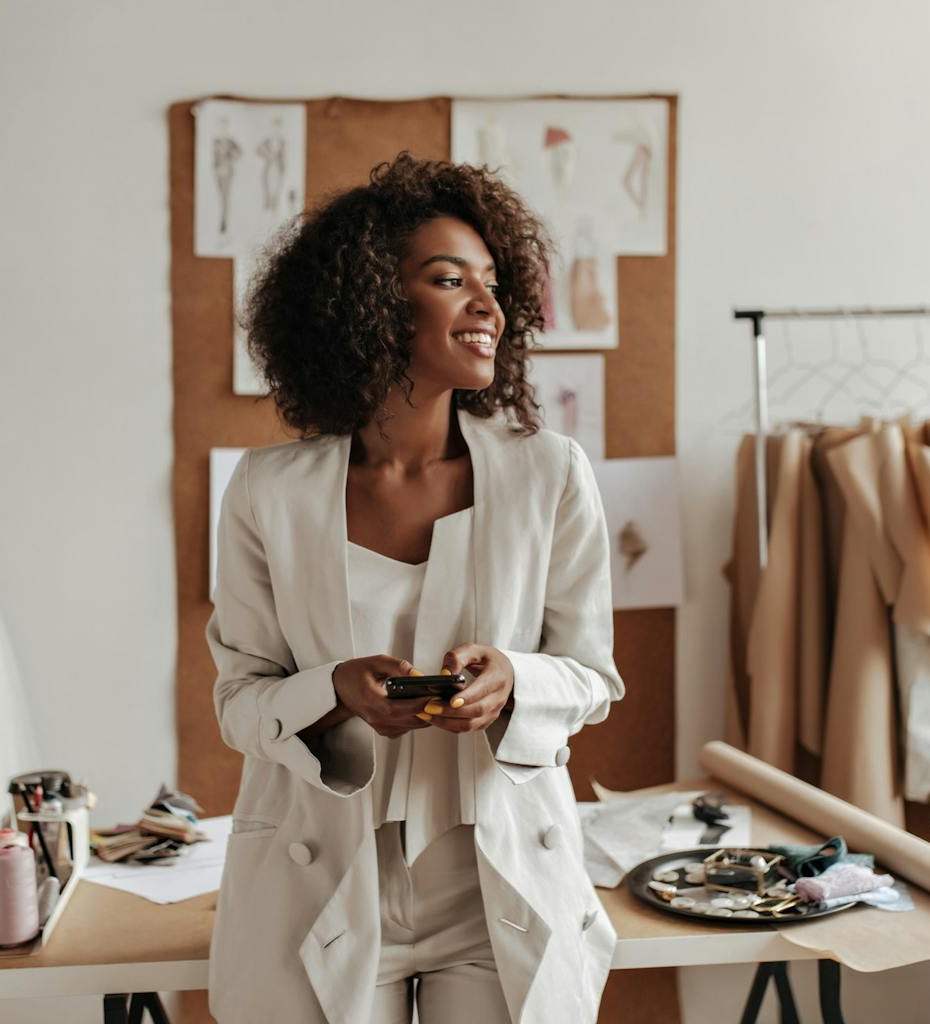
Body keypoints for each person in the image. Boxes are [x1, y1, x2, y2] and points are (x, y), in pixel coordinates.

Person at [206, 152, 625, 1024]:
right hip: (318, 884)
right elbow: (239, 701)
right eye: (448, 279)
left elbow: (591, 677)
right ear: (368, 302)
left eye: (494, 283)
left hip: (497, 882)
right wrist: (333, 692)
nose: (490, 306)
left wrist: (515, 678)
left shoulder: (551, 475)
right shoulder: (266, 491)